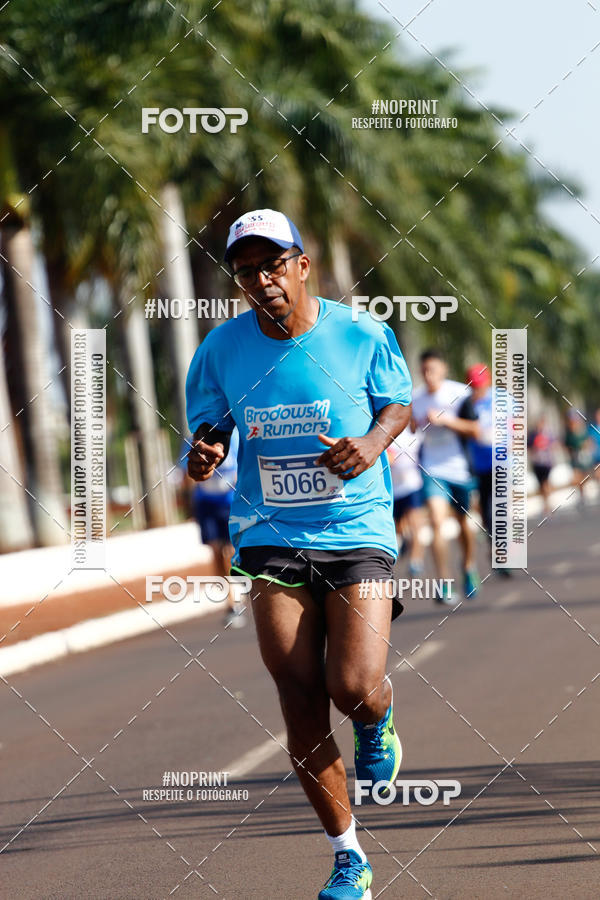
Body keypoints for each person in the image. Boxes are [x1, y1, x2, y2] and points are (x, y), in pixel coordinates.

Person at [186, 209, 412, 900]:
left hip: (356, 528)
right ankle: (349, 859)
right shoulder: (221, 349)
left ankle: (377, 720)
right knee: (299, 696)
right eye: (247, 270)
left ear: (302, 265)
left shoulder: (360, 332)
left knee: (353, 685)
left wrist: (370, 447)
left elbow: (396, 403)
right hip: (269, 533)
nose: (262, 279)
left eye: (273, 264)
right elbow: (208, 428)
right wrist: (204, 452)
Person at [411, 349, 480, 604]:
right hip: (432, 469)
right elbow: (409, 427)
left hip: (460, 468)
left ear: (444, 370)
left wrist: (446, 421)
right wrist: (415, 424)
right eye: (424, 371)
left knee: (464, 524)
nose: (429, 376)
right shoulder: (415, 398)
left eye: (433, 370)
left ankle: (469, 566)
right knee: (438, 523)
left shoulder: (460, 394)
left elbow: (475, 429)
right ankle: (444, 583)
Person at [187, 429, 246, 627]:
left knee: (228, 552)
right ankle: (229, 599)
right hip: (205, 503)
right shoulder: (193, 440)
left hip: (229, 502)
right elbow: (185, 472)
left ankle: (235, 601)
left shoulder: (235, 437)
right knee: (215, 552)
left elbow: (244, 469)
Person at [387, 427, 425, 577]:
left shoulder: (415, 435)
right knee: (398, 528)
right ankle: (404, 544)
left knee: (415, 524)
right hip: (393, 489)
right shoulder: (387, 434)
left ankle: (416, 561)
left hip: (412, 485)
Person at [527, 416, 558, 517]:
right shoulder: (532, 435)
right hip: (537, 463)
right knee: (540, 484)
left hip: (546, 462)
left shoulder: (548, 434)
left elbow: (554, 445)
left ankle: (548, 502)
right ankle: (545, 503)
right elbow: (528, 446)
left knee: (546, 482)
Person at [564, 410, 595, 505]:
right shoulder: (569, 434)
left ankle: (584, 495)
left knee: (588, 476)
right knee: (578, 477)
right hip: (576, 459)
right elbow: (567, 447)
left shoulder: (583, 432)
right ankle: (582, 496)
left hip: (585, 458)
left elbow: (590, 443)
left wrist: (586, 446)